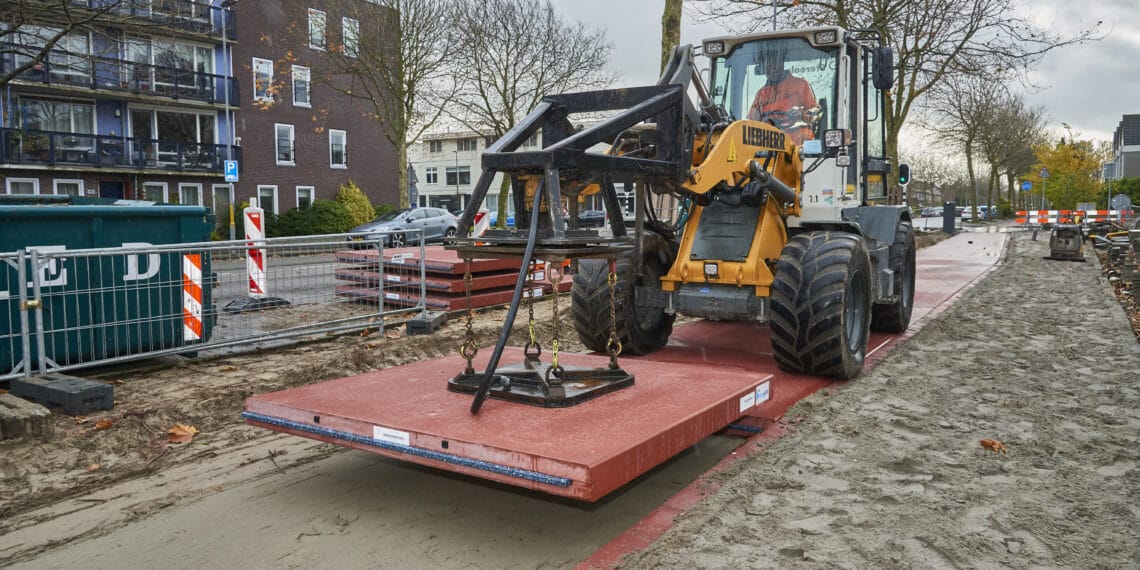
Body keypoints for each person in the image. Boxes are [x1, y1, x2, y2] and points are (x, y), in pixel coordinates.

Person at [747, 50, 821, 145]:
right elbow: (751, 122)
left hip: (799, 148)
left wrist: (801, 114)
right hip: (769, 145)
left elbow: (817, 113)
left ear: (781, 63)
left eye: (773, 64)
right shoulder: (761, 93)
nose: (769, 68)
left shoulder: (801, 85)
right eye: (767, 64)